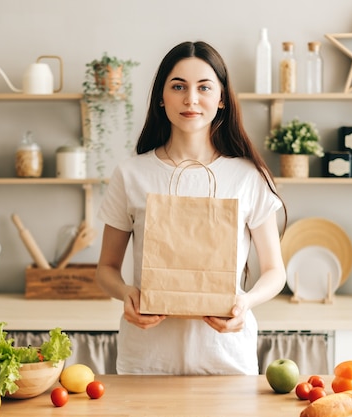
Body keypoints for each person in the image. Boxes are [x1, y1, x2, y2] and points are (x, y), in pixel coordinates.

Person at [96, 40, 287, 375]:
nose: (191, 99)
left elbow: (275, 271)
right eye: (178, 86)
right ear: (161, 96)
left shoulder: (248, 176)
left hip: (225, 357)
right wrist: (127, 293)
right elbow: (106, 269)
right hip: (147, 359)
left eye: (204, 87)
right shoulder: (131, 174)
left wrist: (246, 302)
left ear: (222, 98)